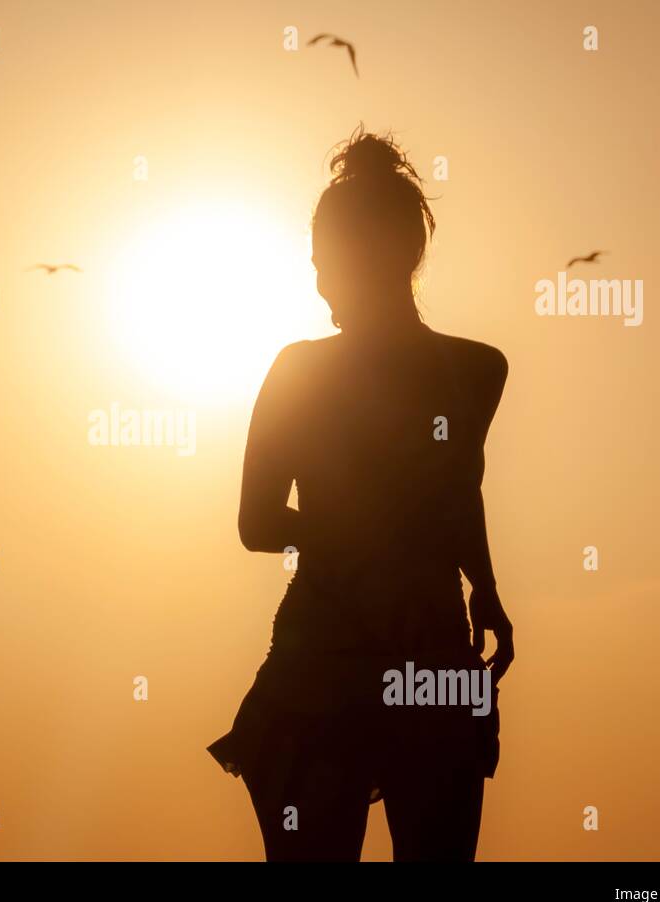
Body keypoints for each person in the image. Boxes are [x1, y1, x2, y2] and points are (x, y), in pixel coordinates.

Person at [207, 126, 514, 862]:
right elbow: (453, 491)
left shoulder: (304, 372)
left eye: (323, 262)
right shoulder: (473, 371)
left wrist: (485, 584)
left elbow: (258, 523)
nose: (319, 282)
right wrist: (481, 585)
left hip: (337, 658)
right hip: (415, 648)